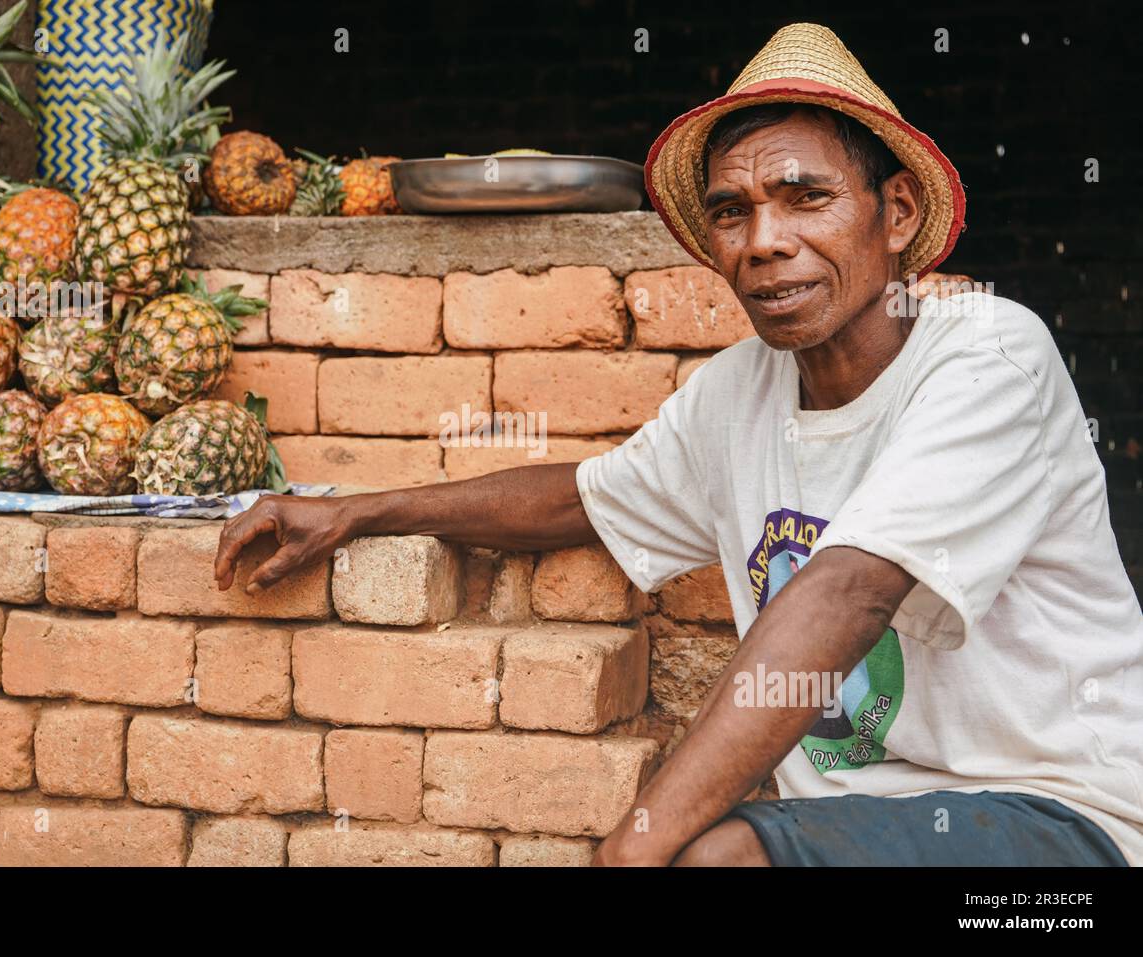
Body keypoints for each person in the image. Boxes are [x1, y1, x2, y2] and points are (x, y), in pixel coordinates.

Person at [213, 23, 1143, 866]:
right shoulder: (740, 390)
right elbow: (582, 497)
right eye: (732, 211)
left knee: (715, 859)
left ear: (896, 214)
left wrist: (633, 846)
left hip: (1064, 827)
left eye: (805, 197)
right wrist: (357, 512)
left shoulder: (990, 353)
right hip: (859, 823)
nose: (763, 242)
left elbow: (851, 588)